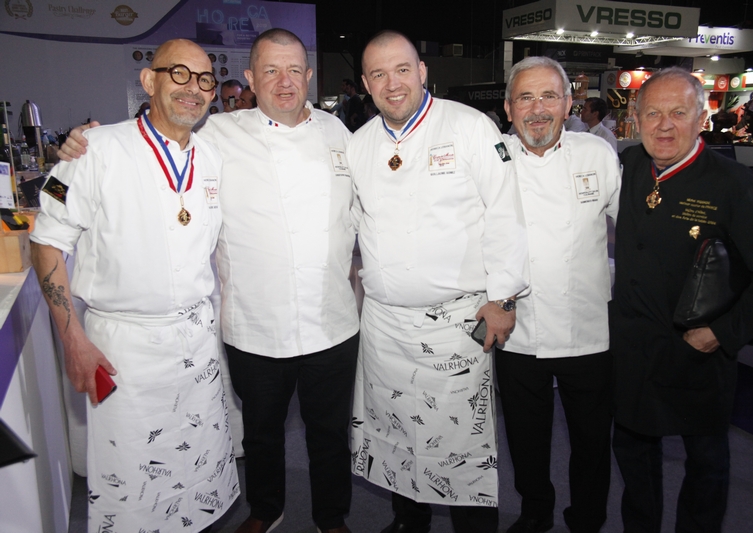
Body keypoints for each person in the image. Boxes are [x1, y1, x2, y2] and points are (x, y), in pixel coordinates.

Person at [58, 28, 359, 533]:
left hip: (331, 321)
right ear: (248, 79)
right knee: (261, 433)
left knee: (329, 432)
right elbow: (154, 138)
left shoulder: (341, 135)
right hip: (253, 324)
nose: (283, 82)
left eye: (293, 71)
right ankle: (267, 509)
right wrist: (79, 143)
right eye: (269, 70)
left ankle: (332, 518)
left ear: (309, 77)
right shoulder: (215, 135)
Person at [31, 39, 239, 533]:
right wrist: (73, 342)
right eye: (179, 75)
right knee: (133, 487)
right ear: (149, 82)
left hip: (196, 346)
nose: (194, 89)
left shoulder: (213, 158)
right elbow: (45, 243)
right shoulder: (93, 150)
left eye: (205, 79)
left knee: (196, 477)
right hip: (123, 350)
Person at [347, 30, 529, 533]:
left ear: (422, 71)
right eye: (379, 74)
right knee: (398, 437)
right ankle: (410, 521)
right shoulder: (359, 145)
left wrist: (505, 298)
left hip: (456, 324)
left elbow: (506, 216)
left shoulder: (470, 127)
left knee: (461, 448)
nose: (393, 82)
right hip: (385, 327)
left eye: (402, 69)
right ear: (366, 84)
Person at [611, 67, 753, 533]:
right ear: (635, 119)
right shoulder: (629, 166)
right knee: (633, 455)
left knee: (707, 464)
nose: (664, 125)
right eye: (652, 113)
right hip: (634, 352)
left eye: (678, 112)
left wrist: (721, 334)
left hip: (697, 352)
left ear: (702, 118)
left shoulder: (735, 185)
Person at [497, 56, 620, 533]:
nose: (538, 108)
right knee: (526, 437)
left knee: (592, 438)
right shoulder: (492, 157)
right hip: (518, 327)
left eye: (549, 96)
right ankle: (535, 512)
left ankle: (587, 518)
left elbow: (634, 233)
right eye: (525, 97)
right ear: (509, 108)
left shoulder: (597, 154)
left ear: (568, 103)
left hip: (588, 328)